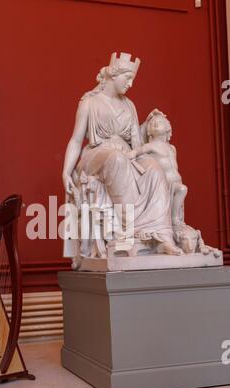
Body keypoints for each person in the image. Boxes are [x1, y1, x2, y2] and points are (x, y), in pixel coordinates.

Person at [62, 52, 182, 256]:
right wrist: (65, 172)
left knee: (153, 167)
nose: (130, 84)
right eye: (128, 79)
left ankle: (162, 236)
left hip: (127, 155)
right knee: (116, 160)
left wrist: (147, 153)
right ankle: (131, 233)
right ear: (114, 76)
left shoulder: (129, 105)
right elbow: (75, 140)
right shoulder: (90, 102)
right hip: (97, 155)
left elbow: (136, 143)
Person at [129, 113, 188, 226]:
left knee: (180, 191)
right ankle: (174, 219)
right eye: (152, 123)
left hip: (176, 181)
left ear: (168, 128)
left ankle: (175, 218)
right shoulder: (150, 146)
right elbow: (138, 151)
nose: (155, 123)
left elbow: (174, 166)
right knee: (182, 189)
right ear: (148, 132)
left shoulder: (172, 148)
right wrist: (130, 154)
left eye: (160, 122)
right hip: (163, 184)